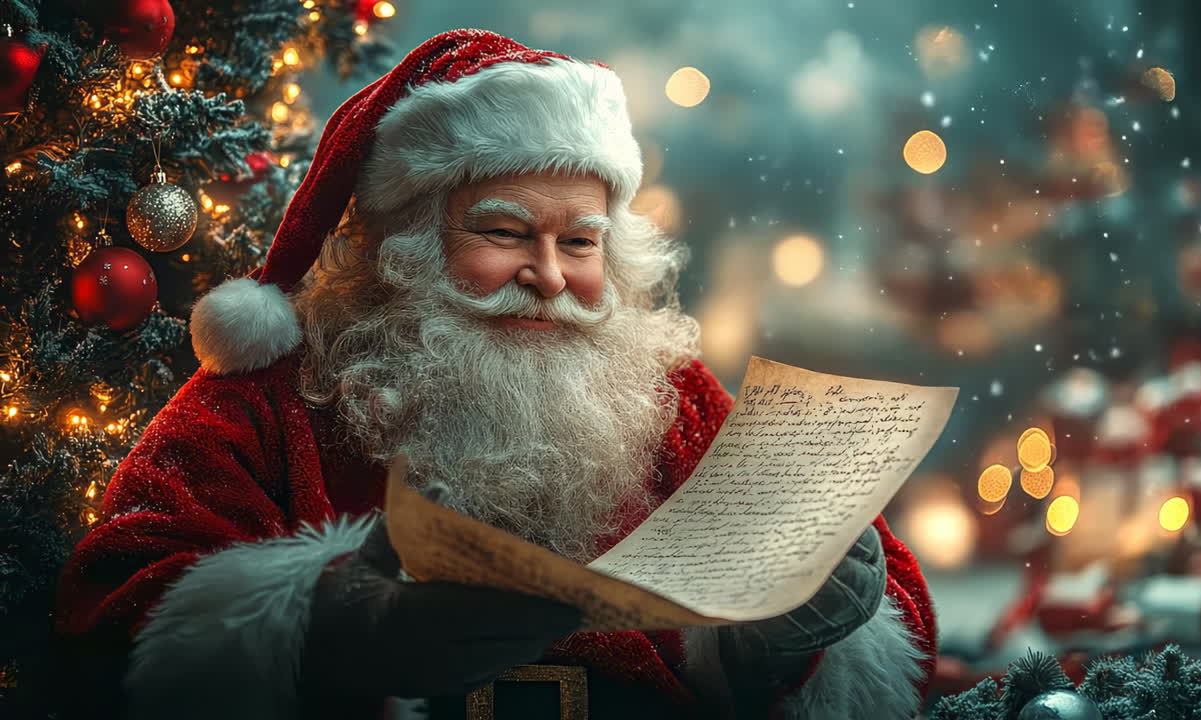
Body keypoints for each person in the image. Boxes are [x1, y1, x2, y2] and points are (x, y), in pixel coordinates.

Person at [53, 29, 936, 720]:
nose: (550, 277)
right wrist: (327, 630)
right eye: (506, 233)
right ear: (406, 246)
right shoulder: (265, 398)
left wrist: (788, 644)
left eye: (579, 242)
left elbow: (893, 609)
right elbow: (111, 611)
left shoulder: (670, 396)